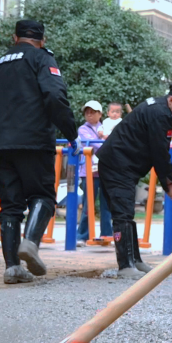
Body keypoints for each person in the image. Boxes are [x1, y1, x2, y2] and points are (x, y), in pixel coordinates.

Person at [0, 20, 79, 284]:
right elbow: (55, 96)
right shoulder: (42, 58)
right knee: (43, 195)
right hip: (33, 139)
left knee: (10, 205)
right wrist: (71, 132)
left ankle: (12, 268)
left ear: (14, 38)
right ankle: (30, 243)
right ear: (42, 40)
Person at [97, 84, 172, 279]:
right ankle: (126, 265)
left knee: (126, 212)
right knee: (123, 213)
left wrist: (168, 182)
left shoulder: (158, 108)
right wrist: (169, 183)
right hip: (117, 163)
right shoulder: (160, 114)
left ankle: (135, 260)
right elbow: (160, 152)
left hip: (122, 163)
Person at [76, 100, 113, 246]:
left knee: (106, 204)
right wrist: (105, 140)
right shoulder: (83, 129)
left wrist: (106, 139)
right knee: (88, 204)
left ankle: (106, 235)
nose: (89, 115)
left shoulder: (106, 127)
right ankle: (82, 235)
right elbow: (94, 145)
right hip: (89, 172)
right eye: (87, 112)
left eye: (93, 112)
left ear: (100, 114)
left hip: (105, 170)